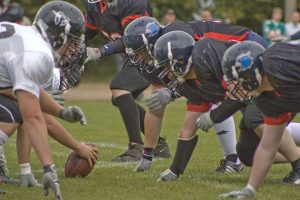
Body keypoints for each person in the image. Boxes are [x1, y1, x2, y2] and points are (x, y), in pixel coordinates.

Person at [124, 17, 267, 175]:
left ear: (149, 43)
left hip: (245, 48)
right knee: (256, 122)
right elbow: (156, 107)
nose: (139, 59)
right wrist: (148, 153)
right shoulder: (161, 58)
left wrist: (173, 92)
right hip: (222, 67)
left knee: (257, 117)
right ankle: (235, 158)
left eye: (140, 52)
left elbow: (195, 69)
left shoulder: (175, 37)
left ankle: (234, 158)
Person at [0, 1, 88, 198]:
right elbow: (32, 118)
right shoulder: (38, 55)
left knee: (14, 111)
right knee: (13, 114)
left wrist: (61, 112)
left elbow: (24, 93)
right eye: (72, 42)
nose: (74, 49)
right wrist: (48, 168)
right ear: (57, 35)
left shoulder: (26, 36)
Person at [84, 0, 170, 162]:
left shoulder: (131, 3)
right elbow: (88, 31)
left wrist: (100, 51)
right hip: (134, 56)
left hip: (149, 54)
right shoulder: (93, 4)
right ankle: (158, 144)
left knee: (119, 87)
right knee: (119, 98)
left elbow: (136, 36)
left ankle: (136, 147)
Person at [219, 41, 300, 198]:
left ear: (251, 74)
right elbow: (267, 147)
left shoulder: (284, 64)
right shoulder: (267, 99)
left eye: (238, 80)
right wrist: (250, 189)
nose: (235, 87)